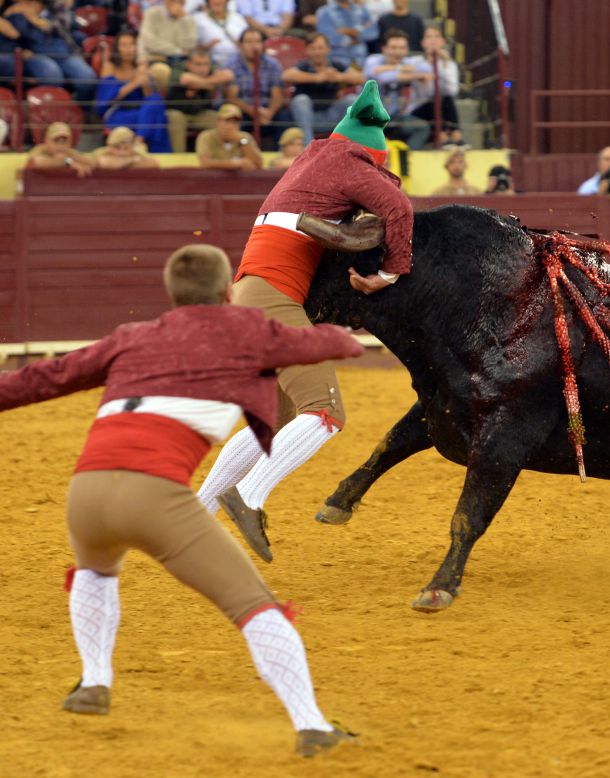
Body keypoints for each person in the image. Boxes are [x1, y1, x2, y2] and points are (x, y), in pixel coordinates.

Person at [0, 244, 363, 757]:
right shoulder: (248, 331)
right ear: (228, 292)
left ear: (171, 293)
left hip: (87, 490)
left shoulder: (132, 336)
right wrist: (342, 335)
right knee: (254, 607)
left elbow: (43, 378)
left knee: (96, 572)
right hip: (156, 496)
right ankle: (311, 725)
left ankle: (94, 682)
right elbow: (324, 344)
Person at [195, 80, 414, 561]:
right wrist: (390, 272)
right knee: (325, 414)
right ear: (370, 154)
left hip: (246, 293)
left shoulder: (312, 159)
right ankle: (249, 496)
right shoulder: (349, 164)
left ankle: (196, 516)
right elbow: (397, 206)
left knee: (271, 422)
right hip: (273, 296)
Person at [95, 30, 172, 153]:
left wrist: (145, 80)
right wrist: (134, 83)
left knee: (156, 100)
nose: (128, 49)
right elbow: (105, 102)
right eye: (124, 45)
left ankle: (139, 140)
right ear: (117, 48)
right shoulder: (110, 67)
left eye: (132, 44)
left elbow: (148, 97)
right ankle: (159, 154)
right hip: (118, 112)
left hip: (140, 112)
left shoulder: (139, 68)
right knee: (158, 120)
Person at [3, 0, 96, 101]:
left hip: (64, 53)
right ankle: (50, 111)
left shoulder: (56, 5)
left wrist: (36, 20)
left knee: (87, 77)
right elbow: (13, 36)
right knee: (52, 75)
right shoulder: (15, 10)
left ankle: (79, 109)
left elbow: (68, 24)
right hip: (36, 55)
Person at [283, 31, 364, 145]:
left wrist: (338, 76)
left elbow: (361, 78)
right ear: (306, 50)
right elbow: (286, 75)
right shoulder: (303, 65)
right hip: (306, 118)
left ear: (328, 49)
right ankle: (308, 147)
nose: (317, 52)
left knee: (352, 99)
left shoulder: (336, 65)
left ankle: (351, 145)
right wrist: (317, 77)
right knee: (301, 100)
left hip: (331, 115)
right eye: (313, 48)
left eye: (320, 48)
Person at [361, 29, 432, 149]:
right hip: (371, 117)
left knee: (422, 127)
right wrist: (403, 69)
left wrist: (391, 68)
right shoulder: (373, 59)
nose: (398, 52)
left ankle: (407, 162)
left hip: (395, 117)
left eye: (402, 48)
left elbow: (427, 70)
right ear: (384, 48)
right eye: (393, 48)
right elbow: (381, 78)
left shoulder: (409, 62)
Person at [225, 27, 292, 145]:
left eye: (257, 41)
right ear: (241, 45)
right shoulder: (231, 65)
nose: (254, 46)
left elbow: (277, 95)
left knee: (284, 117)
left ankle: (282, 156)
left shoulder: (272, 64)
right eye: (249, 42)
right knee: (234, 117)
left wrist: (269, 113)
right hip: (244, 111)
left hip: (267, 111)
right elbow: (232, 98)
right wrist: (254, 112)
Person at [165, 47, 235, 153]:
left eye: (206, 64)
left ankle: (219, 157)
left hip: (199, 112)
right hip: (177, 111)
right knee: (176, 118)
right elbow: (186, 79)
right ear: (188, 64)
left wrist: (200, 83)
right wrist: (210, 84)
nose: (202, 68)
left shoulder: (212, 70)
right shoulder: (179, 68)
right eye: (198, 64)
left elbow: (228, 75)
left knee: (219, 119)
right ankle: (178, 158)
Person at [406, 24, 464, 147]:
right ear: (423, 42)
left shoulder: (449, 64)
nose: (433, 40)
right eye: (429, 37)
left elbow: (452, 90)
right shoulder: (415, 62)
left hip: (441, 108)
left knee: (447, 99)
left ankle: (455, 136)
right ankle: (444, 137)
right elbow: (428, 93)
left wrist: (443, 66)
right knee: (436, 100)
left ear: (443, 42)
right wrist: (431, 66)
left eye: (437, 37)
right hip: (419, 109)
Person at [196, 102, 263, 169]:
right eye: (227, 121)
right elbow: (205, 163)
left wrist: (243, 141)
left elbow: (258, 164)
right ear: (218, 122)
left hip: (238, 179)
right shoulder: (206, 136)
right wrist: (236, 163)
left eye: (235, 122)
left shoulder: (244, 137)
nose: (231, 125)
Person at [315, 0, 377, 69]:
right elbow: (327, 37)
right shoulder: (324, 11)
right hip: (337, 60)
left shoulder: (361, 9)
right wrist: (351, 38)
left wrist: (350, 32)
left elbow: (373, 32)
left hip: (362, 59)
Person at [138, 0, 197, 70]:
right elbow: (149, 41)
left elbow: (188, 46)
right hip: (154, 59)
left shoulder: (188, 20)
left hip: (180, 62)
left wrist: (183, 19)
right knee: (161, 70)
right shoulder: (152, 13)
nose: (176, 4)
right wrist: (177, 51)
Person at [25, 121, 95, 177]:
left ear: (70, 143)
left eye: (64, 141)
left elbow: (92, 162)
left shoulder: (70, 153)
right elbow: (37, 162)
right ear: (46, 141)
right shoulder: (40, 150)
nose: (60, 146)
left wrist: (74, 160)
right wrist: (68, 162)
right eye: (56, 141)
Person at [193, 0, 248, 68]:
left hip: (239, 61)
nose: (217, 1)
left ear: (227, 1)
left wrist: (242, 44)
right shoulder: (197, 19)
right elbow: (190, 46)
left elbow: (248, 38)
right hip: (211, 63)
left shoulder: (238, 18)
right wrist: (205, 47)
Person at [92, 125, 160, 169]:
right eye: (117, 147)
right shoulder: (100, 153)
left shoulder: (138, 153)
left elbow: (154, 163)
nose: (122, 153)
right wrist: (131, 160)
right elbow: (100, 162)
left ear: (132, 147)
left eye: (126, 148)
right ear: (109, 146)